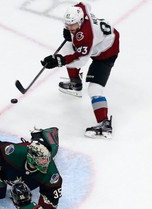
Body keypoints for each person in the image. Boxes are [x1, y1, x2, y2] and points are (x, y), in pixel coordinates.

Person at [41, 2, 119, 139]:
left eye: (73, 25)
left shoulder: (85, 36)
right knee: (68, 48)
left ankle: (105, 125)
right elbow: (85, 4)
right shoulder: (81, 11)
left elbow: (80, 60)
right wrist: (70, 34)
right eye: (68, 25)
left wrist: (59, 61)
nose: (70, 28)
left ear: (81, 21)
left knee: (94, 90)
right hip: (100, 40)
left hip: (107, 52)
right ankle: (75, 84)